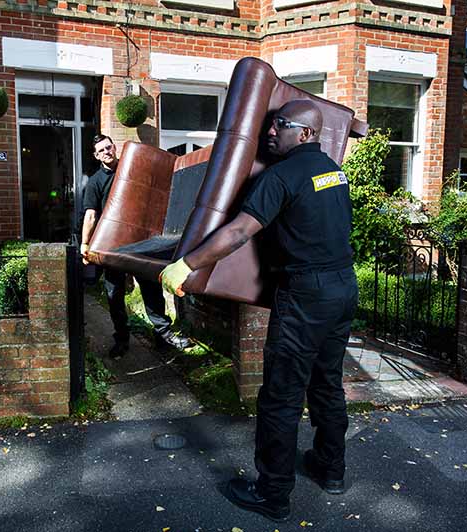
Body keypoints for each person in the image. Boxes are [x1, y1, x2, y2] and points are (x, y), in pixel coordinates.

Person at [160, 101, 358, 522]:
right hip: (342, 289)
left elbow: (237, 231)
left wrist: (186, 264)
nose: (270, 132)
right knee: (326, 384)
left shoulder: (281, 176)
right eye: (270, 125)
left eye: (280, 126)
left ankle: (272, 493)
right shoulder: (334, 173)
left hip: (305, 294)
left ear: (304, 133)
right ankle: (331, 468)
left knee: (281, 397)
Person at [81, 134, 193, 359]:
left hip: (141, 244)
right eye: (101, 150)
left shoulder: (131, 169)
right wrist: (85, 243)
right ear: (96, 156)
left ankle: (163, 337)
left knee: (152, 292)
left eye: (109, 147)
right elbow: (91, 214)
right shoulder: (95, 182)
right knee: (115, 296)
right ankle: (121, 339)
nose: (107, 152)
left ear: (115, 147)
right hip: (113, 248)